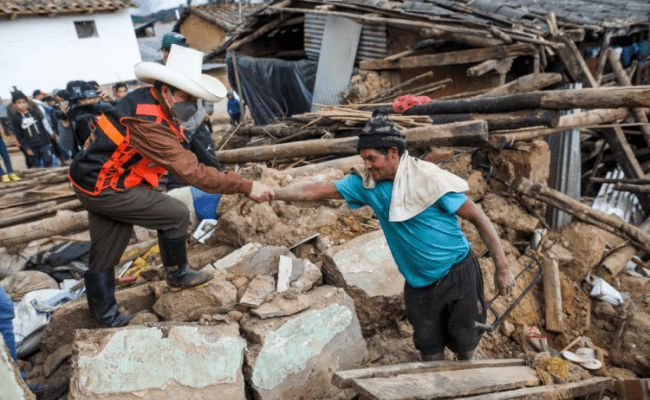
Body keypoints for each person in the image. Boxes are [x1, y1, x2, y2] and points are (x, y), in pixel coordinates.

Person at [243, 111, 515, 361]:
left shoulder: (430, 180)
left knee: (465, 345)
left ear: (393, 153)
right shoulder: (366, 186)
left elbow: (479, 217)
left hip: (458, 275)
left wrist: (502, 268)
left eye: (372, 158)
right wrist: (272, 193)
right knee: (429, 350)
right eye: (364, 159)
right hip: (419, 284)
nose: (367, 165)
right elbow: (315, 191)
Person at [68, 44, 274, 328]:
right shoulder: (148, 121)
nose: (190, 104)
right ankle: (177, 275)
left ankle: (106, 318)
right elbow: (192, 171)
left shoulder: (147, 99)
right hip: (106, 186)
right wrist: (244, 184)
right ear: (166, 91)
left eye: (193, 98)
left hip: (91, 181)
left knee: (107, 247)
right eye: (185, 97)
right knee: (175, 214)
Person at [159, 32, 221, 189]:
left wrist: (207, 111)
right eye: (175, 51)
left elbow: (204, 91)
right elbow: (157, 106)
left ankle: (219, 191)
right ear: (165, 52)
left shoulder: (189, 67)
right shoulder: (157, 74)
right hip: (177, 130)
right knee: (178, 171)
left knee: (210, 161)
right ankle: (177, 205)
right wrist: (171, 127)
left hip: (198, 126)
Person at [11, 91, 54, 168]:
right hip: (31, 146)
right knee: (36, 165)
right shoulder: (15, 118)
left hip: (43, 143)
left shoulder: (35, 114)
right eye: (19, 103)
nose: (22, 105)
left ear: (27, 102)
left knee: (48, 162)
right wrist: (26, 148)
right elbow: (19, 135)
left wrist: (48, 143)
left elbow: (42, 128)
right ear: (15, 104)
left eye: (24, 102)